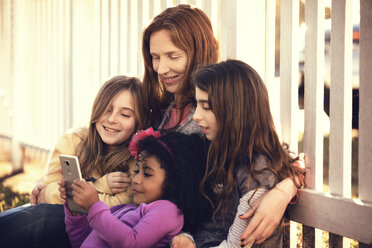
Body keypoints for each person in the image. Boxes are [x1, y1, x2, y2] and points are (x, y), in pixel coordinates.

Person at [141, 4, 304, 246]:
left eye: (173, 56)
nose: (161, 69)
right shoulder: (158, 112)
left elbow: (276, 160)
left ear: (198, 52)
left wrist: (283, 191)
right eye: (155, 57)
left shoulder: (216, 124)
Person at [0, 75, 146, 248]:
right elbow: (47, 192)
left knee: (44, 216)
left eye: (125, 114)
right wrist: (101, 185)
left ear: (138, 121)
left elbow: (119, 206)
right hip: (60, 224)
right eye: (106, 110)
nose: (112, 119)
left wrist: (63, 193)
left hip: (98, 235)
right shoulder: (74, 140)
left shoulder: (137, 158)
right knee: (37, 216)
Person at [188, 59, 304, 247]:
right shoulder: (216, 149)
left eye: (207, 107)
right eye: (197, 105)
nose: (196, 116)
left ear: (236, 110)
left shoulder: (256, 166)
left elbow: (240, 242)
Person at [60, 128, 212, 248]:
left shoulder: (168, 210)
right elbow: (82, 242)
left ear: (176, 181)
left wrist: (94, 206)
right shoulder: (126, 209)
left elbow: (131, 243)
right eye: (136, 171)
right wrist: (76, 212)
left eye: (146, 173)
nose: (136, 180)